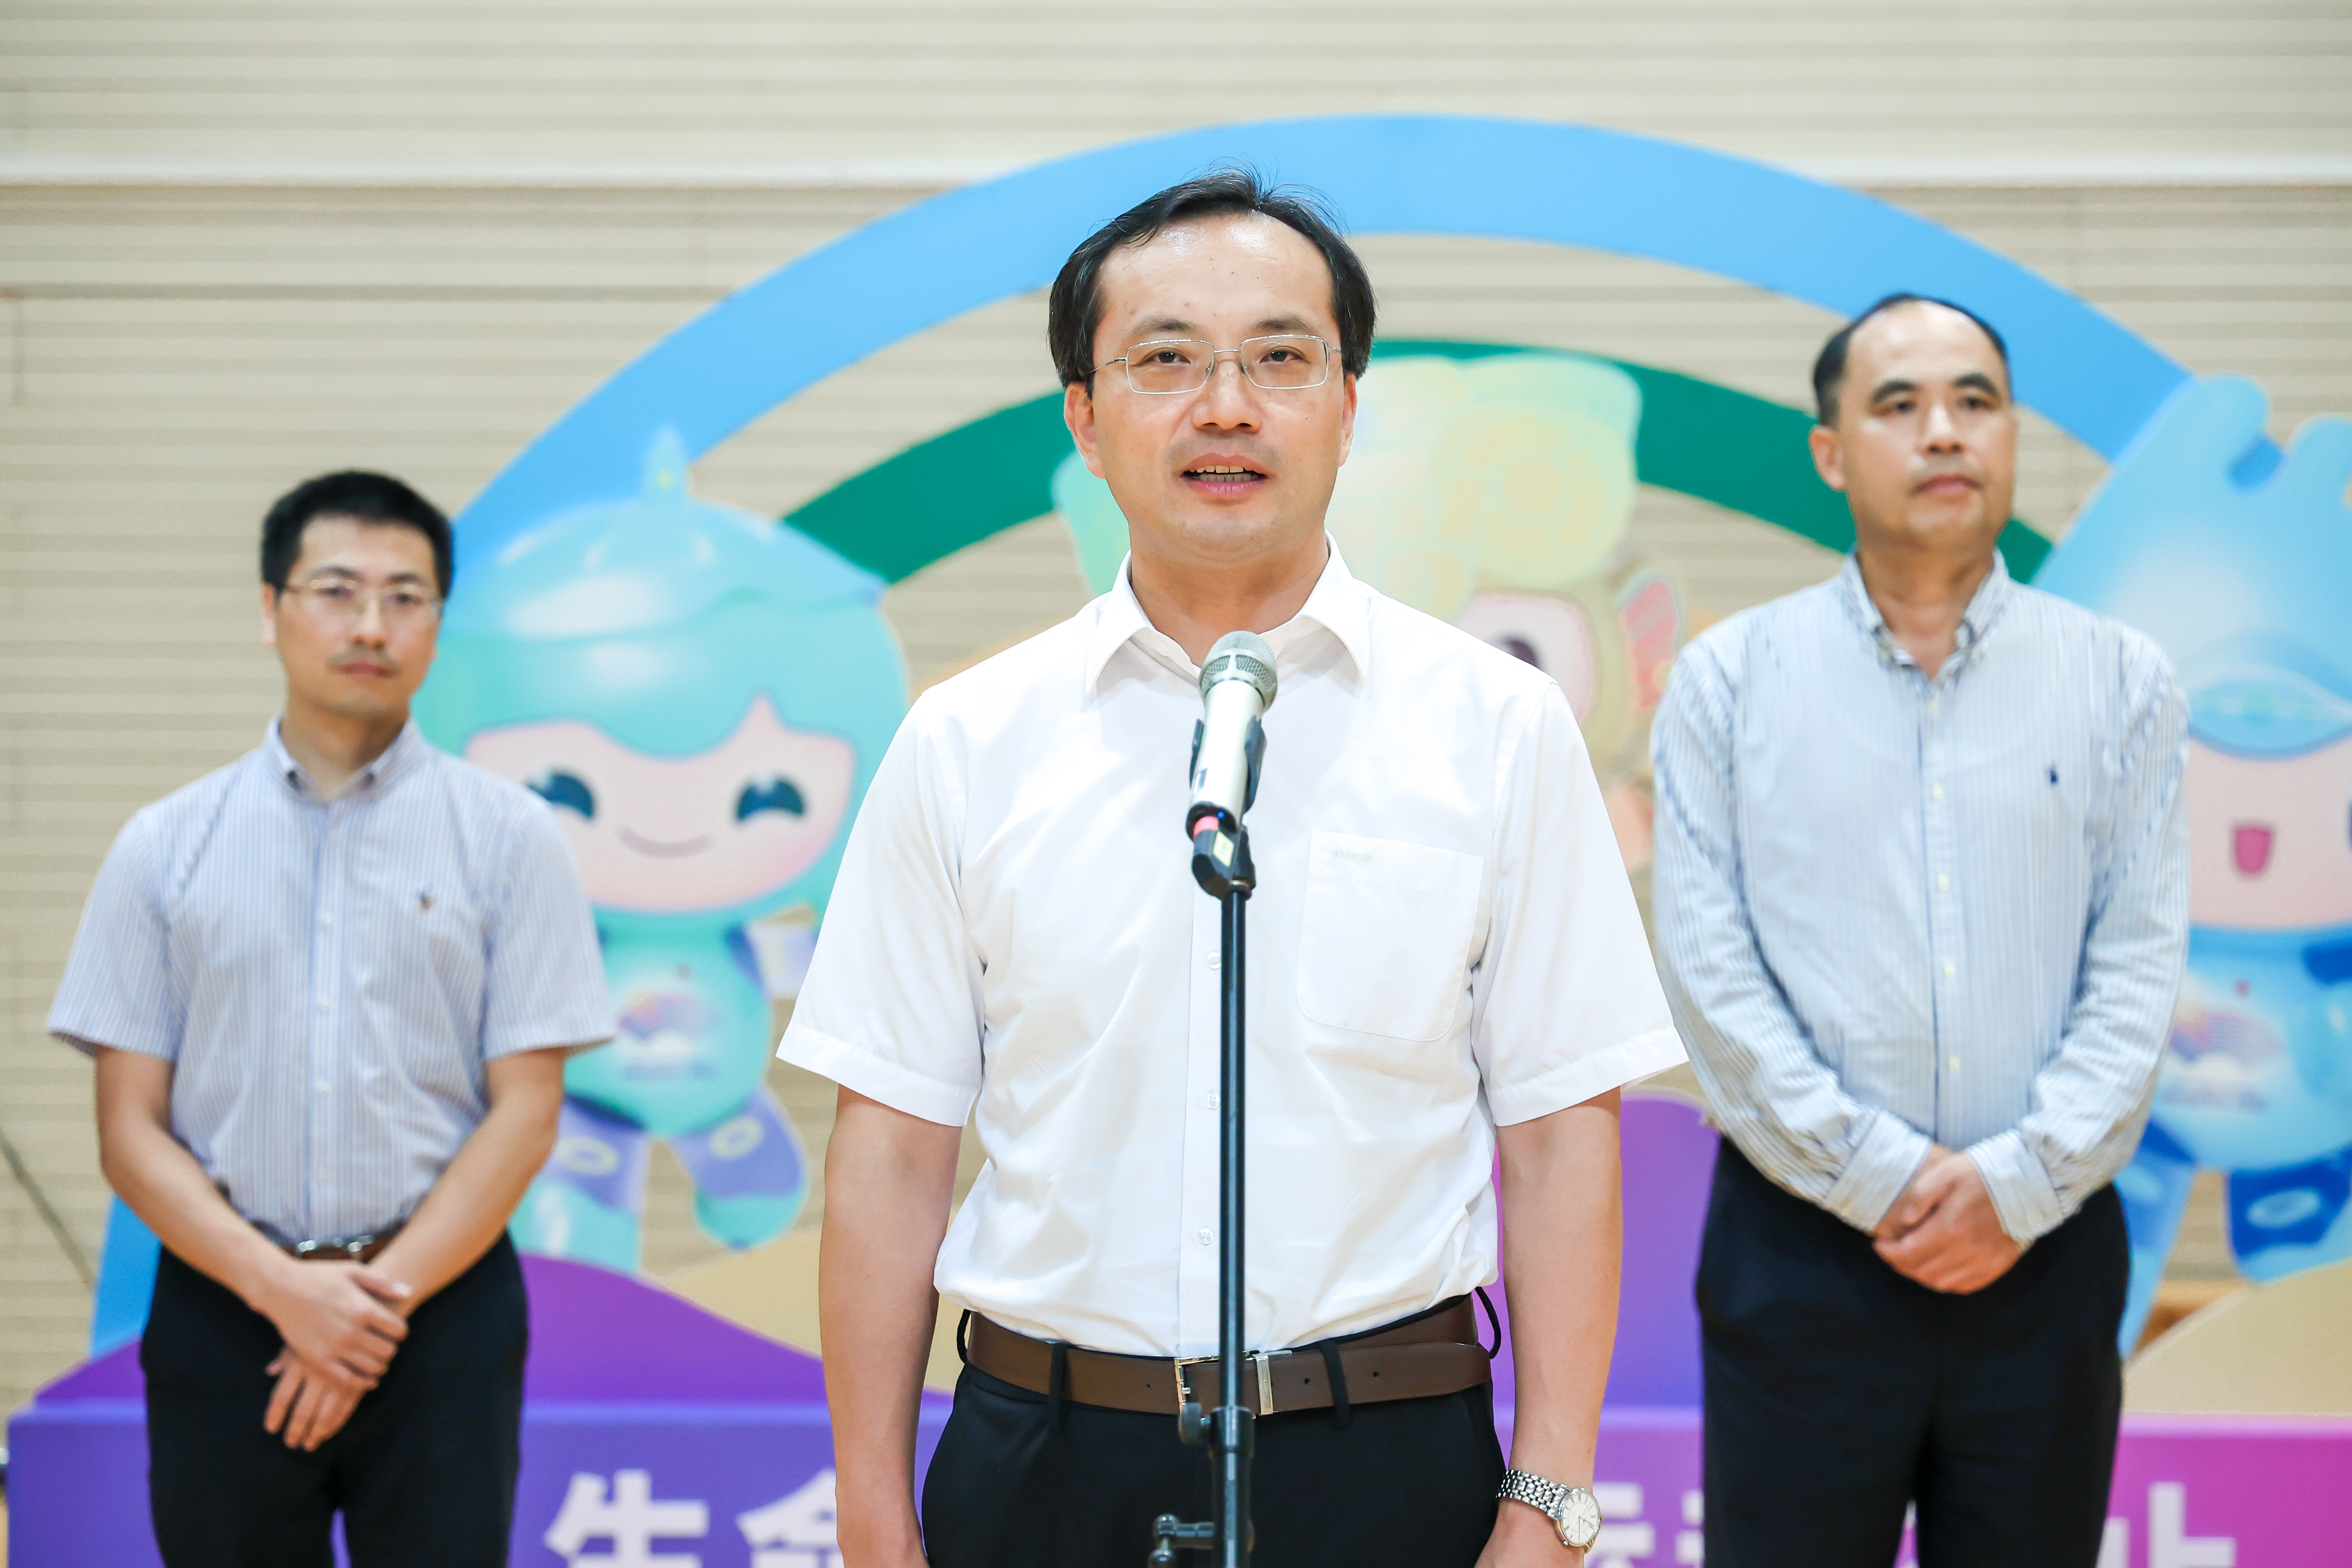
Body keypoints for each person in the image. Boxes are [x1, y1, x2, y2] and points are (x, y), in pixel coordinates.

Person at [780, 169, 1685, 1568]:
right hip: (1043, 1463)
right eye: (1165, 361)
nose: (1226, 406)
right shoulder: (966, 739)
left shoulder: (1495, 725)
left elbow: (1563, 1129)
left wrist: (1551, 1498)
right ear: (1085, 420)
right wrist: (871, 1515)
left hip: (1386, 1460)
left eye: (1279, 359)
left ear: (1347, 406)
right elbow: (893, 1146)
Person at [1651, 296, 2190, 1568]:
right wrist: (1882, 1178)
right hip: (1803, 1253)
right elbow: (1708, 974)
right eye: (1897, 405)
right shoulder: (1729, 681)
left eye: (1974, 401)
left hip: (2042, 1250)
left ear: (2008, 436)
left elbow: (2137, 964)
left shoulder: (2120, 680)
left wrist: (2015, 1186)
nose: (1942, 432)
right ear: (1830, 453)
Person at [49, 471, 612, 1568]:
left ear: (437, 623)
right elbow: (128, 1130)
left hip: (441, 1314)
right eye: (337, 590)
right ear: (271, 609)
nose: (370, 626)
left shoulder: (513, 838)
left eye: (406, 597)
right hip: (226, 1310)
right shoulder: (165, 846)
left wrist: (362, 1310)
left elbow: (526, 1112)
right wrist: (284, 1293)